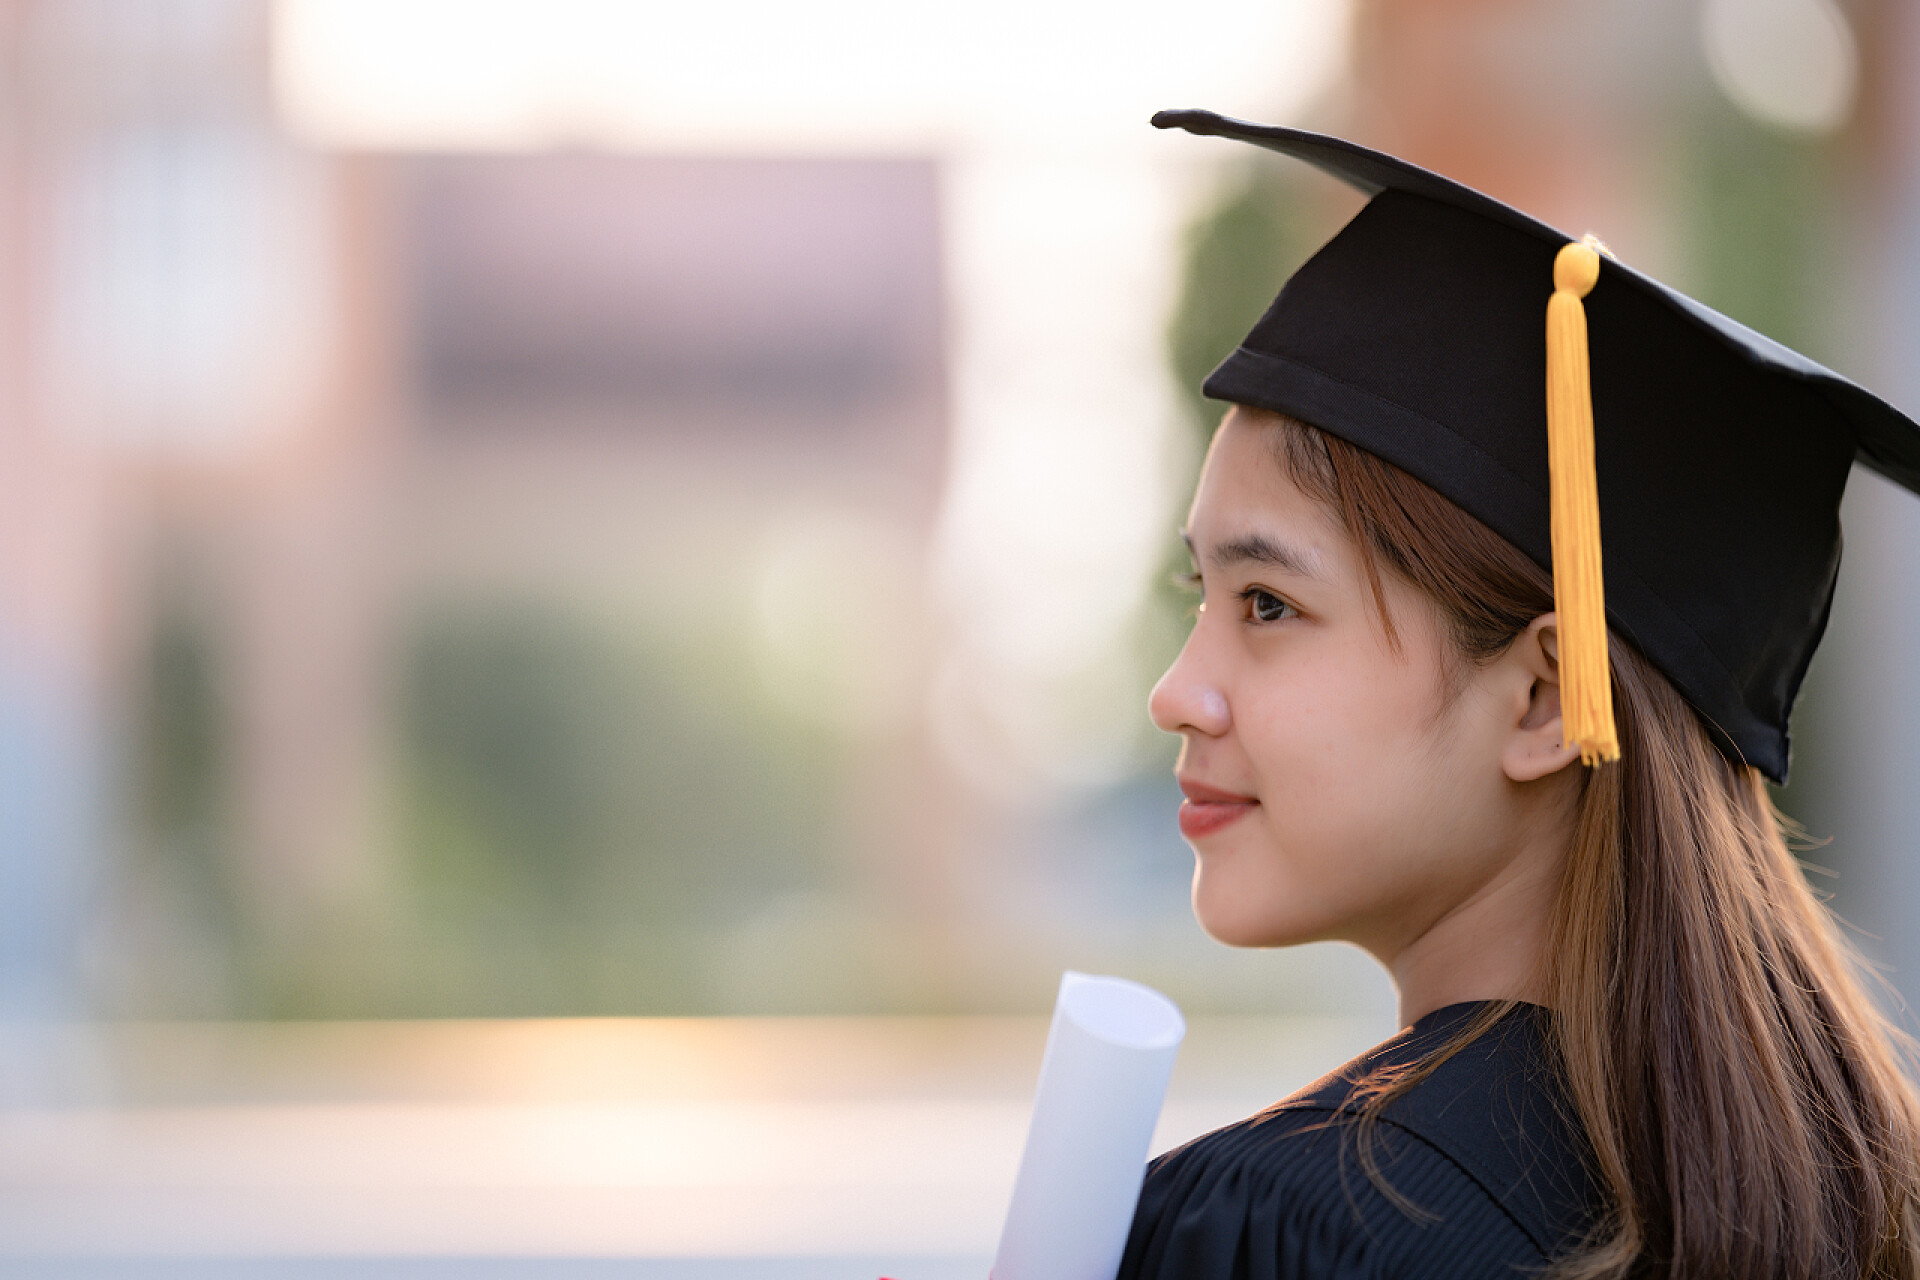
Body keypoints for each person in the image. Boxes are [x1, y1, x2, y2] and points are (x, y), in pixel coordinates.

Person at [1121, 110, 1920, 1280]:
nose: (1178, 691)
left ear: (1548, 696)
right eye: (1206, 594)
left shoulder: (1286, 1225)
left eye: (1269, 605)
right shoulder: (1851, 1202)